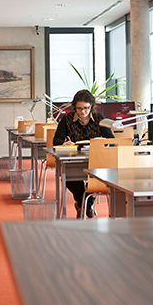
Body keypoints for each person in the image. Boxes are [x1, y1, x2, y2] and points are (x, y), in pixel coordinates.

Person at [52, 89, 114, 218]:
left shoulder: (99, 118)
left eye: (86, 108)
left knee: (98, 180)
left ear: (91, 106)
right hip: (75, 158)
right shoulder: (67, 118)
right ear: (74, 107)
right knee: (69, 177)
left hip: (97, 159)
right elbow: (56, 140)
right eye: (79, 108)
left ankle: (83, 204)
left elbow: (111, 139)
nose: (83, 112)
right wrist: (64, 143)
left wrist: (102, 142)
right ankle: (85, 203)